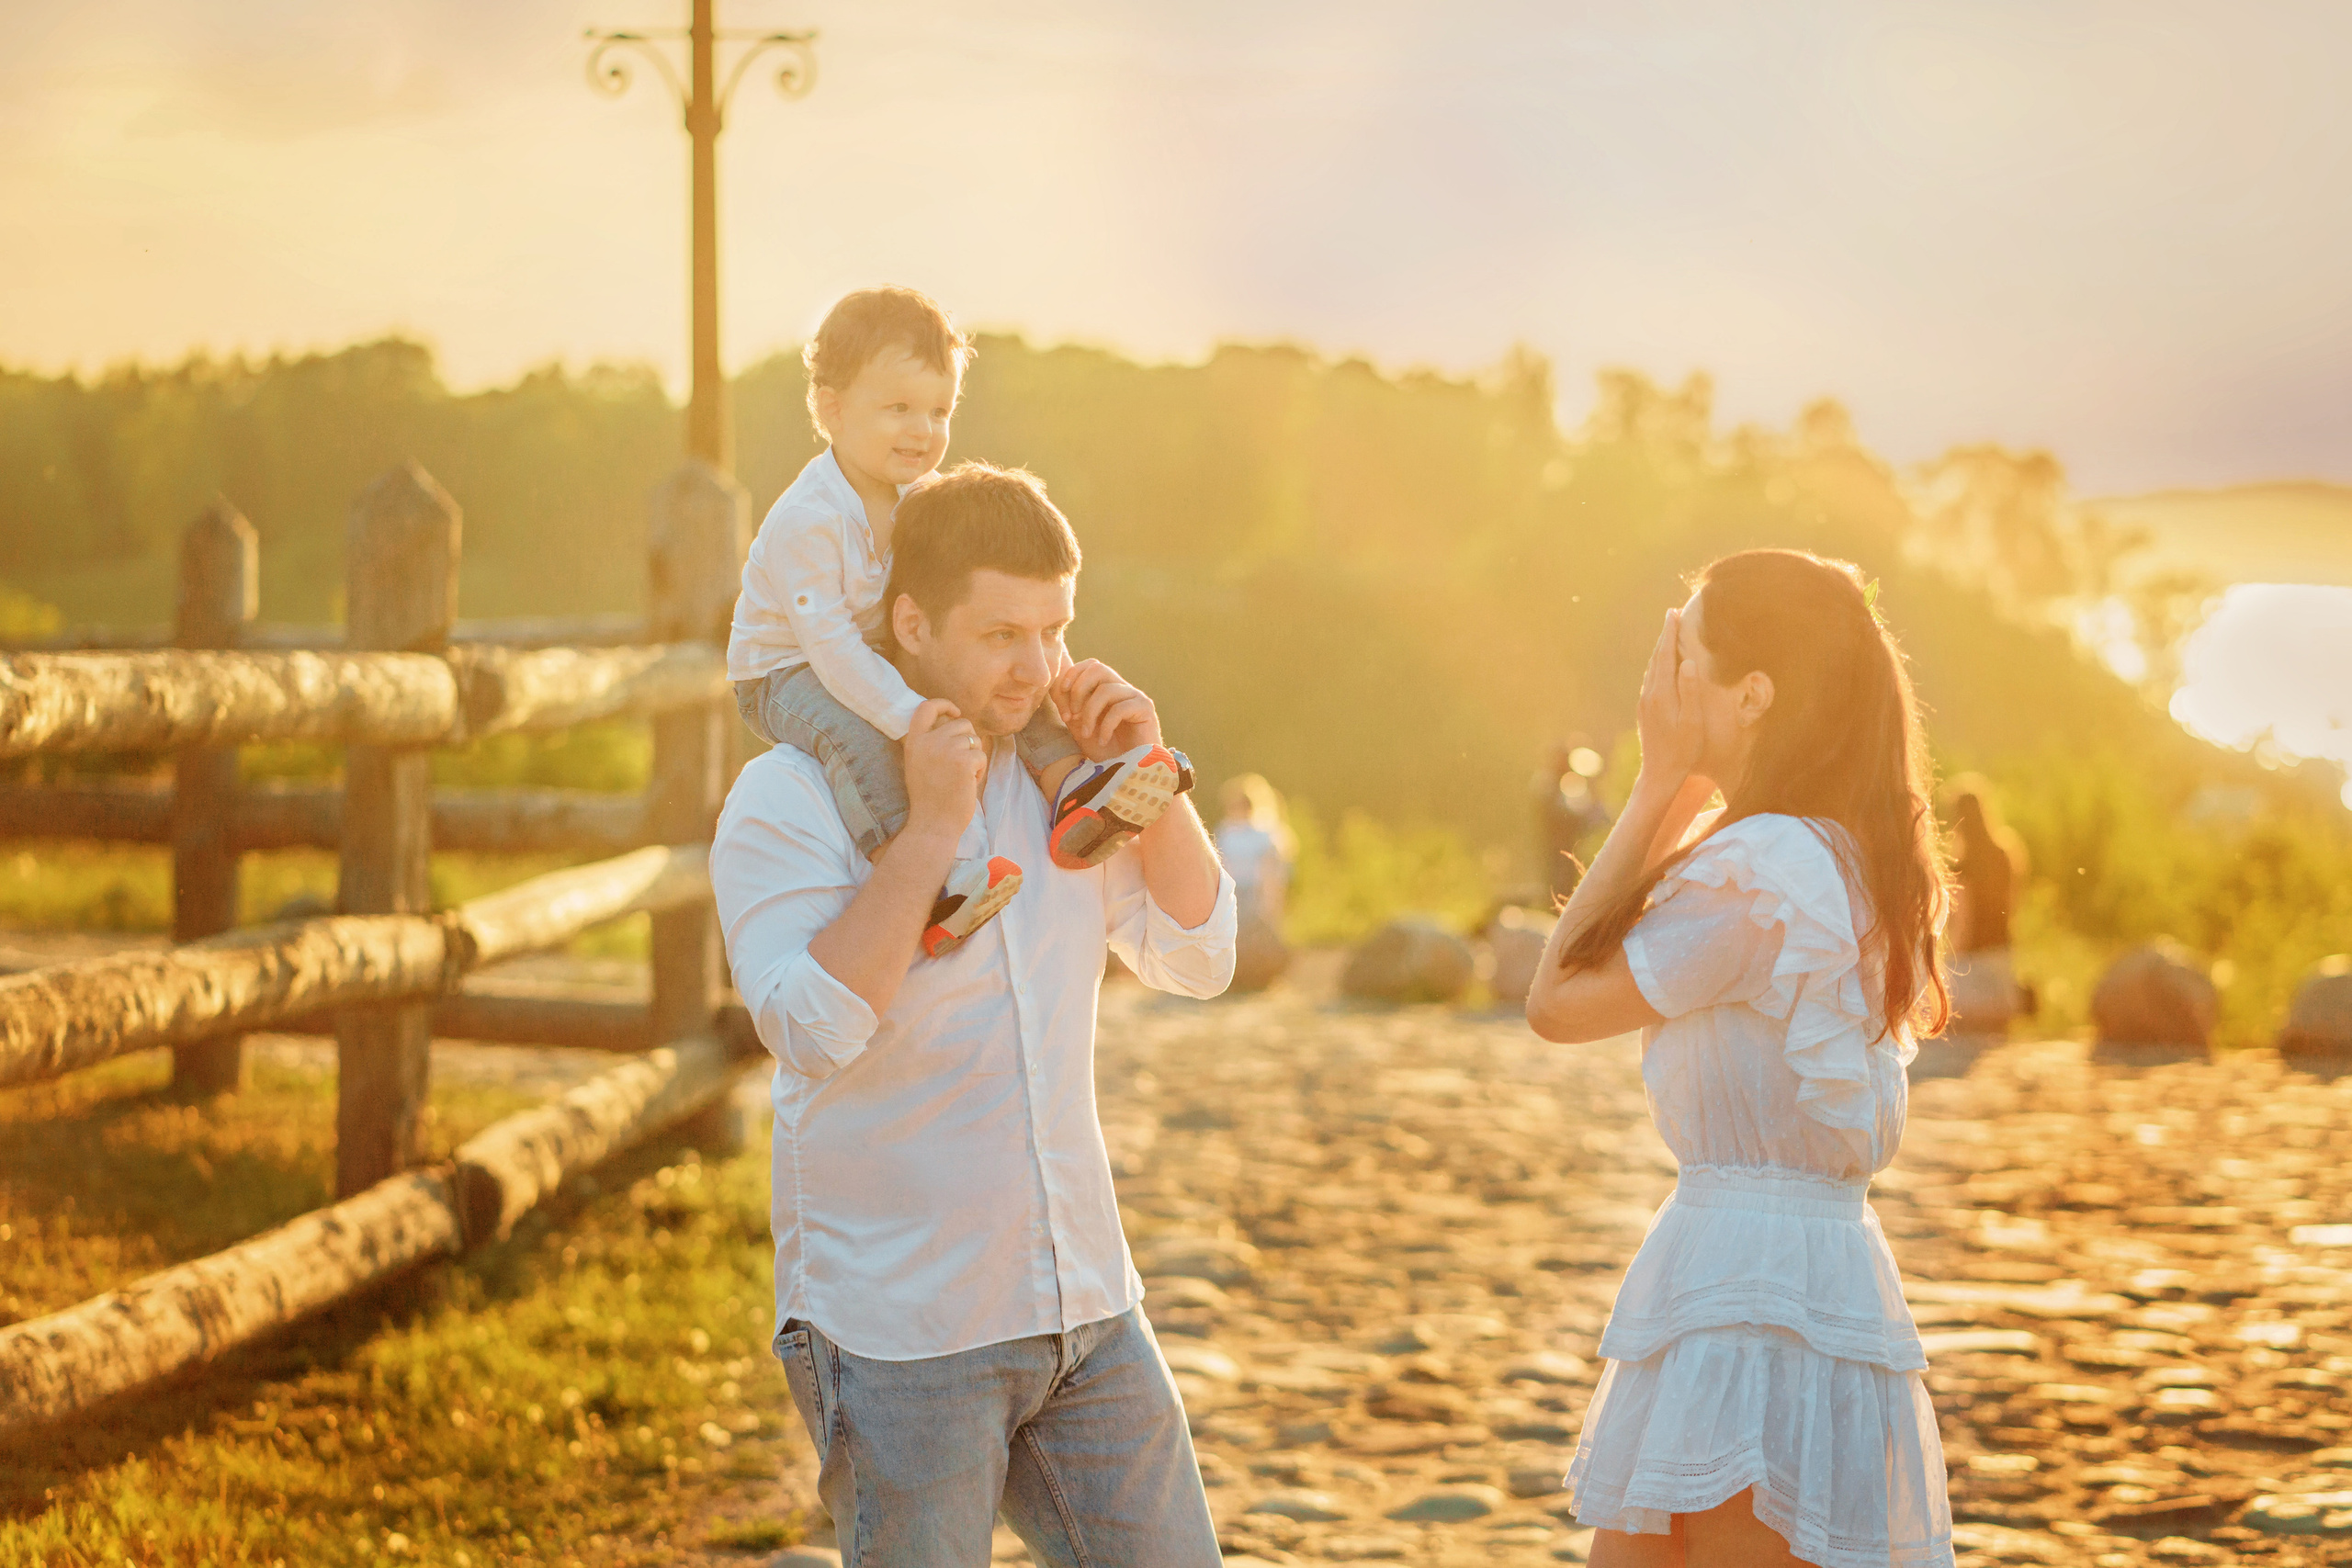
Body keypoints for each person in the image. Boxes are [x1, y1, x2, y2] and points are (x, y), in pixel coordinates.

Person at [710, 460, 1236, 1566]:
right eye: (1002, 635)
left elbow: (1196, 956)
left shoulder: (1064, 786)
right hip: (902, 1333)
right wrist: (928, 833)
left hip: (1087, 1311)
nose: (1037, 667)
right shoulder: (791, 795)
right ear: (910, 624)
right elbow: (807, 1030)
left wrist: (1145, 769)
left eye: (1054, 631)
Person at [1524, 549, 1953, 1568]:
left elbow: (1556, 1001)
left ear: (1752, 693)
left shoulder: (1763, 872)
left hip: (1751, 1289)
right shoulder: (1826, 851)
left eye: (1682, 655)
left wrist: (1659, 781)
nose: (1659, 684)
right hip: (1781, 1268)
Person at [727, 286, 1193, 959]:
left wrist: (1056, 677)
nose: (923, 430)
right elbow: (827, 646)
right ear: (831, 409)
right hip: (785, 671)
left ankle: (1073, 792)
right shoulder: (809, 521)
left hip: (863, 650)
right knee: (855, 738)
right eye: (898, 409)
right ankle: (928, 877)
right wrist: (908, 715)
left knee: (1013, 676)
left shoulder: (920, 498)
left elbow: (1003, 617)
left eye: (939, 410)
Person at [1944, 778, 2027, 1034]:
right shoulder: (2006, 855)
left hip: (1973, 967)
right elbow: (2012, 907)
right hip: (2003, 961)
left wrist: (1948, 966)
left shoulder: (1962, 866)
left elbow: (1963, 926)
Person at [1534, 736, 1611, 904]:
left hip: (1567, 846)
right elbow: (1574, 813)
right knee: (1561, 881)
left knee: (1564, 881)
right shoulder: (1550, 785)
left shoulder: (1562, 784)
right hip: (1559, 846)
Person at [1214, 773, 1295, 928]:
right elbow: (1222, 864)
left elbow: (1271, 871)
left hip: (1256, 893)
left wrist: (1270, 901)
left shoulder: (1264, 833)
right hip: (1234, 892)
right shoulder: (1225, 832)